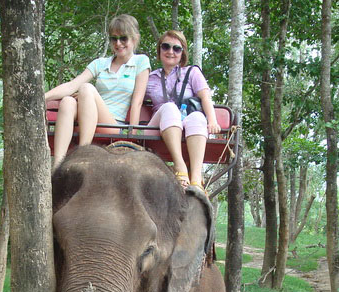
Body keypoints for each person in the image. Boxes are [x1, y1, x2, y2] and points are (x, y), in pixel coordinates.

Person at [44, 14, 150, 169]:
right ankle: (58, 164)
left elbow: (137, 101)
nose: (118, 43)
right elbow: (72, 85)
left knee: (86, 88)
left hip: (113, 125)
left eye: (123, 38)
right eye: (114, 39)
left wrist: (131, 136)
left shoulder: (141, 61)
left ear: (134, 38)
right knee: (67, 101)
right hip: (87, 119)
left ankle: (83, 153)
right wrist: (41, 98)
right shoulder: (100, 63)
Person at [144, 30, 221, 189]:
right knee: (170, 108)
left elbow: (205, 97)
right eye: (166, 47)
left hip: (185, 122)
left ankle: (196, 177)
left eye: (176, 48)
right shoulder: (150, 77)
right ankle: (180, 166)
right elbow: (135, 100)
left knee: (198, 117)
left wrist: (212, 121)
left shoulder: (192, 72)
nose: (170, 52)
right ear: (159, 50)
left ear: (182, 52)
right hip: (158, 125)